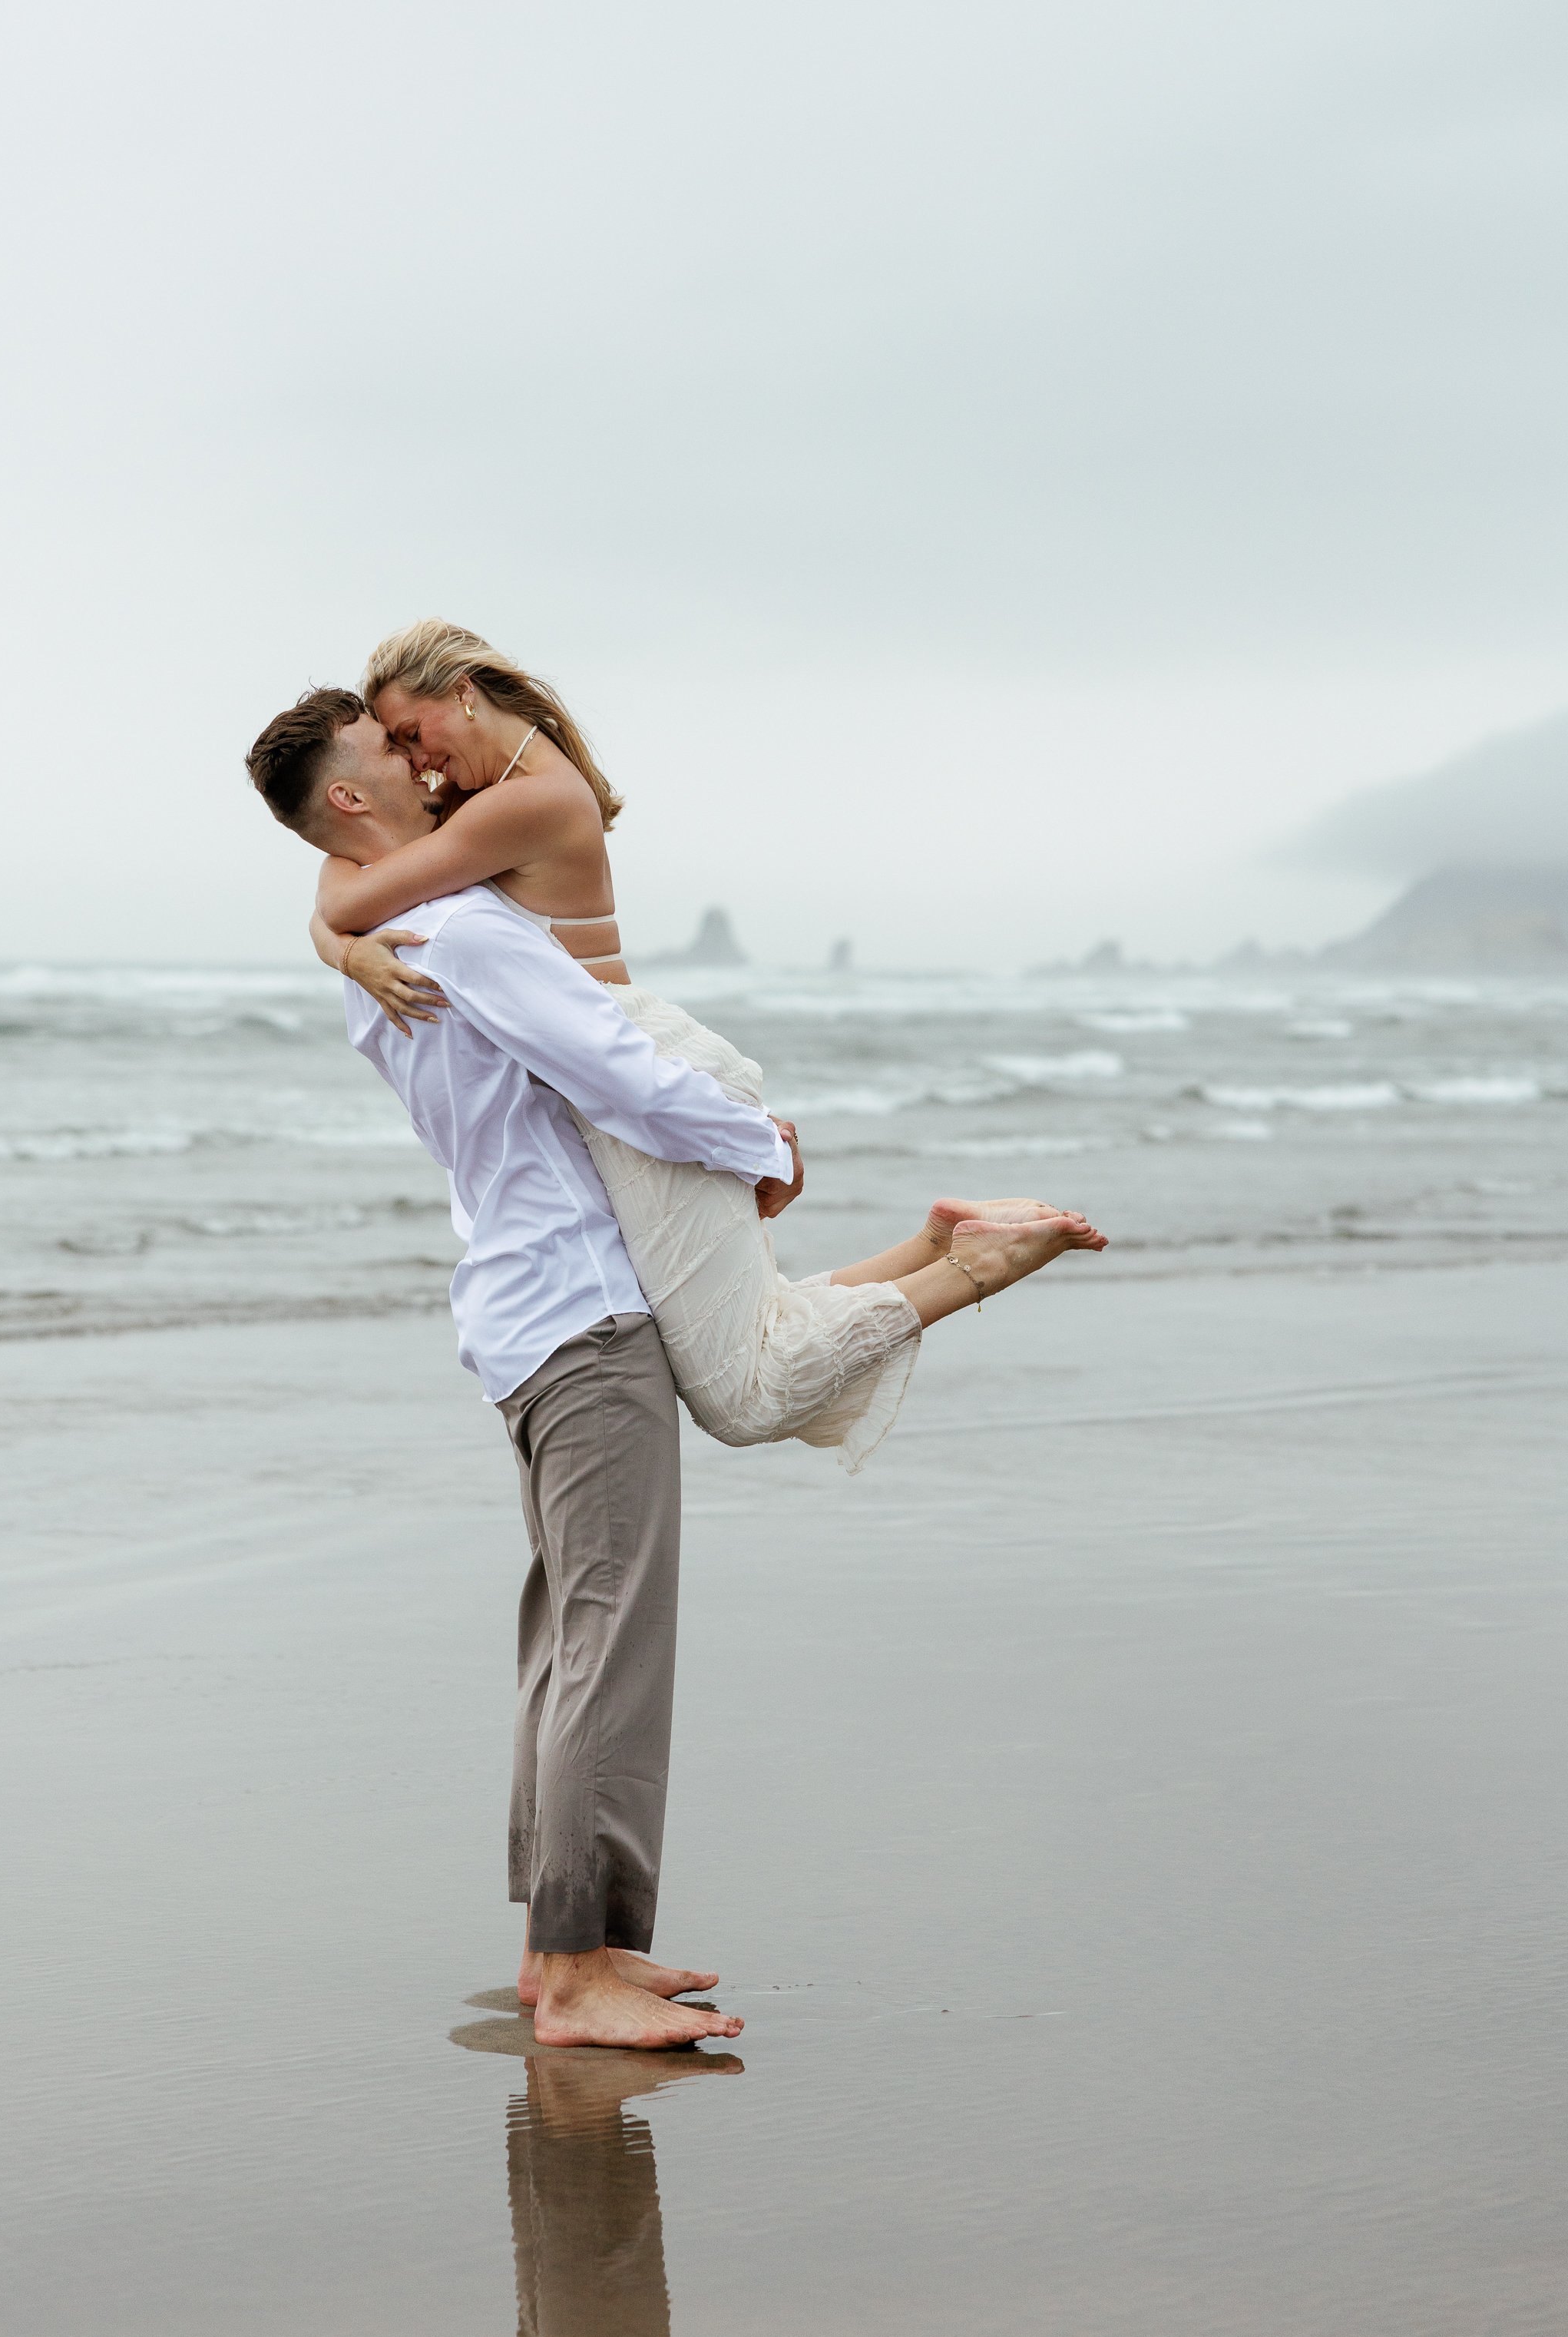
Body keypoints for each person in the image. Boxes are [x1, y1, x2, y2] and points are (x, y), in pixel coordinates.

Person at [244, 681, 1105, 2051]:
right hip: (582, 1313)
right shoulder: (460, 928)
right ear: (350, 800)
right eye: (389, 754)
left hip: (524, 1312)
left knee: (567, 1636)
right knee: (611, 1640)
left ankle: (559, 1948)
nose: (417, 764)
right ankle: (582, 1965)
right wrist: (763, 1143)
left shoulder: (391, 929)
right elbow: (612, 1064)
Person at [309, 620, 1107, 1473]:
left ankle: (975, 1267)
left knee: (742, 1394)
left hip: (631, 1059)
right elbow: (336, 879)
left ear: (463, 693)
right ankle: (935, 1243)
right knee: (752, 1327)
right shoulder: (494, 793)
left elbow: (344, 895)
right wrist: (348, 949)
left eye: (411, 734)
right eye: (392, 746)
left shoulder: (524, 800)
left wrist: (346, 945)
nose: (416, 762)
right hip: (627, 1057)